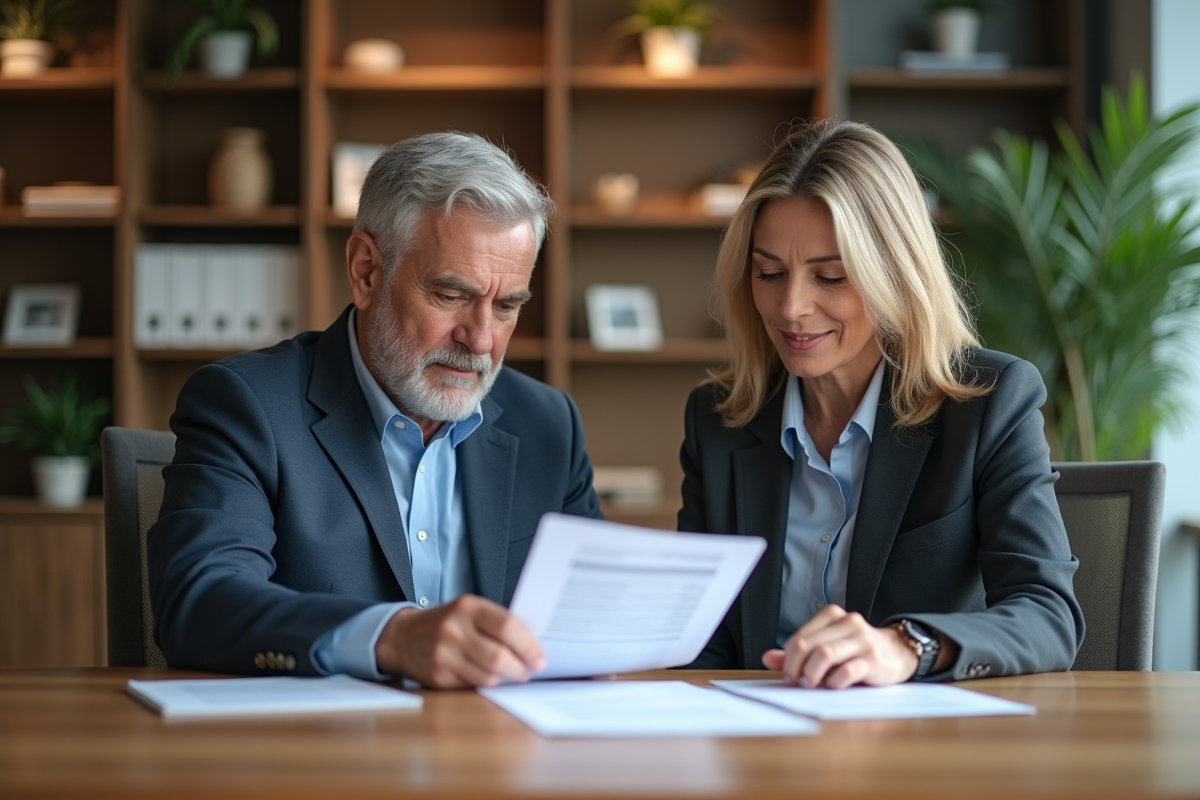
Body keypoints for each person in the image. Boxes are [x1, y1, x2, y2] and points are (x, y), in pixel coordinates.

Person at [149, 132, 601, 688]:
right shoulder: (245, 404)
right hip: (319, 761)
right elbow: (199, 601)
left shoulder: (549, 425)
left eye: (507, 306)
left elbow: (589, 623)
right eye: (451, 295)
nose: (481, 340)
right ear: (366, 270)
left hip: (498, 758)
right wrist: (390, 636)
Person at [680, 119, 1084, 688]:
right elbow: (703, 639)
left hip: (918, 753)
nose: (791, 306)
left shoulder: (989, 404)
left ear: (895, 274)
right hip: (759, 745)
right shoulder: (717, 420)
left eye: (832, 277)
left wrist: (906, 646)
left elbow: (1049, 615)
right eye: (769, 273)